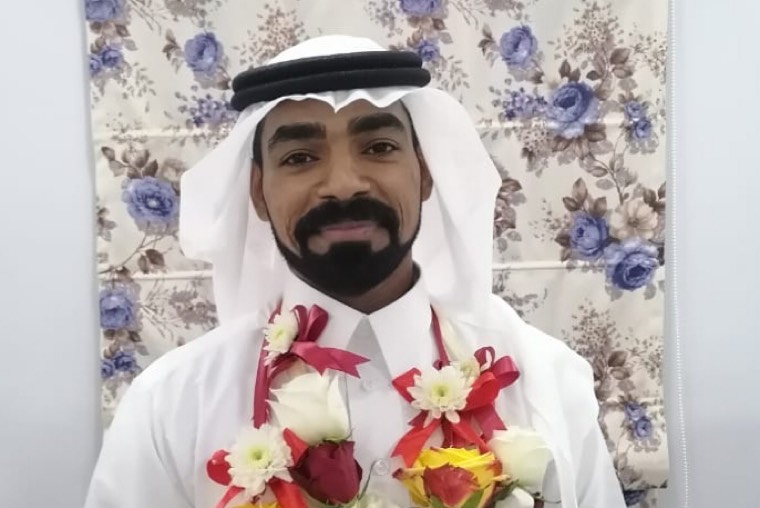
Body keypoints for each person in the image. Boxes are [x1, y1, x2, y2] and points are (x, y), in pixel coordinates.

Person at [84, 35, 626, 508]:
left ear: (425, 175)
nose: (344, 184)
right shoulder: (173, 405)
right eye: (300, 158)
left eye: (379, 147)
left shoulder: (546, 382)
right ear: (258, 193)